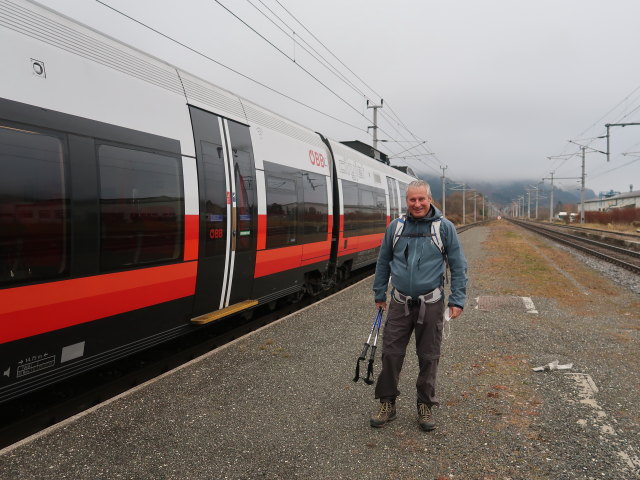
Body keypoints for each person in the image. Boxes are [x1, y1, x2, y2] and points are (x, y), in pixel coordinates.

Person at [370, 179, 467, 431]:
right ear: (407, 201)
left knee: (428, 357)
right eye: (412, 199)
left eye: (421, 199)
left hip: (431, 303)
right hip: (399, 302)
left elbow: (458, 266)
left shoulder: (444, 228)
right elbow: (383, 262)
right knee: (390, 354)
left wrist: (458, 299)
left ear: (430, 199)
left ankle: (425, 405)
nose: (417, 204)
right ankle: (387, 403)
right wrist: (379, 292)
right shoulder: (395, 228)